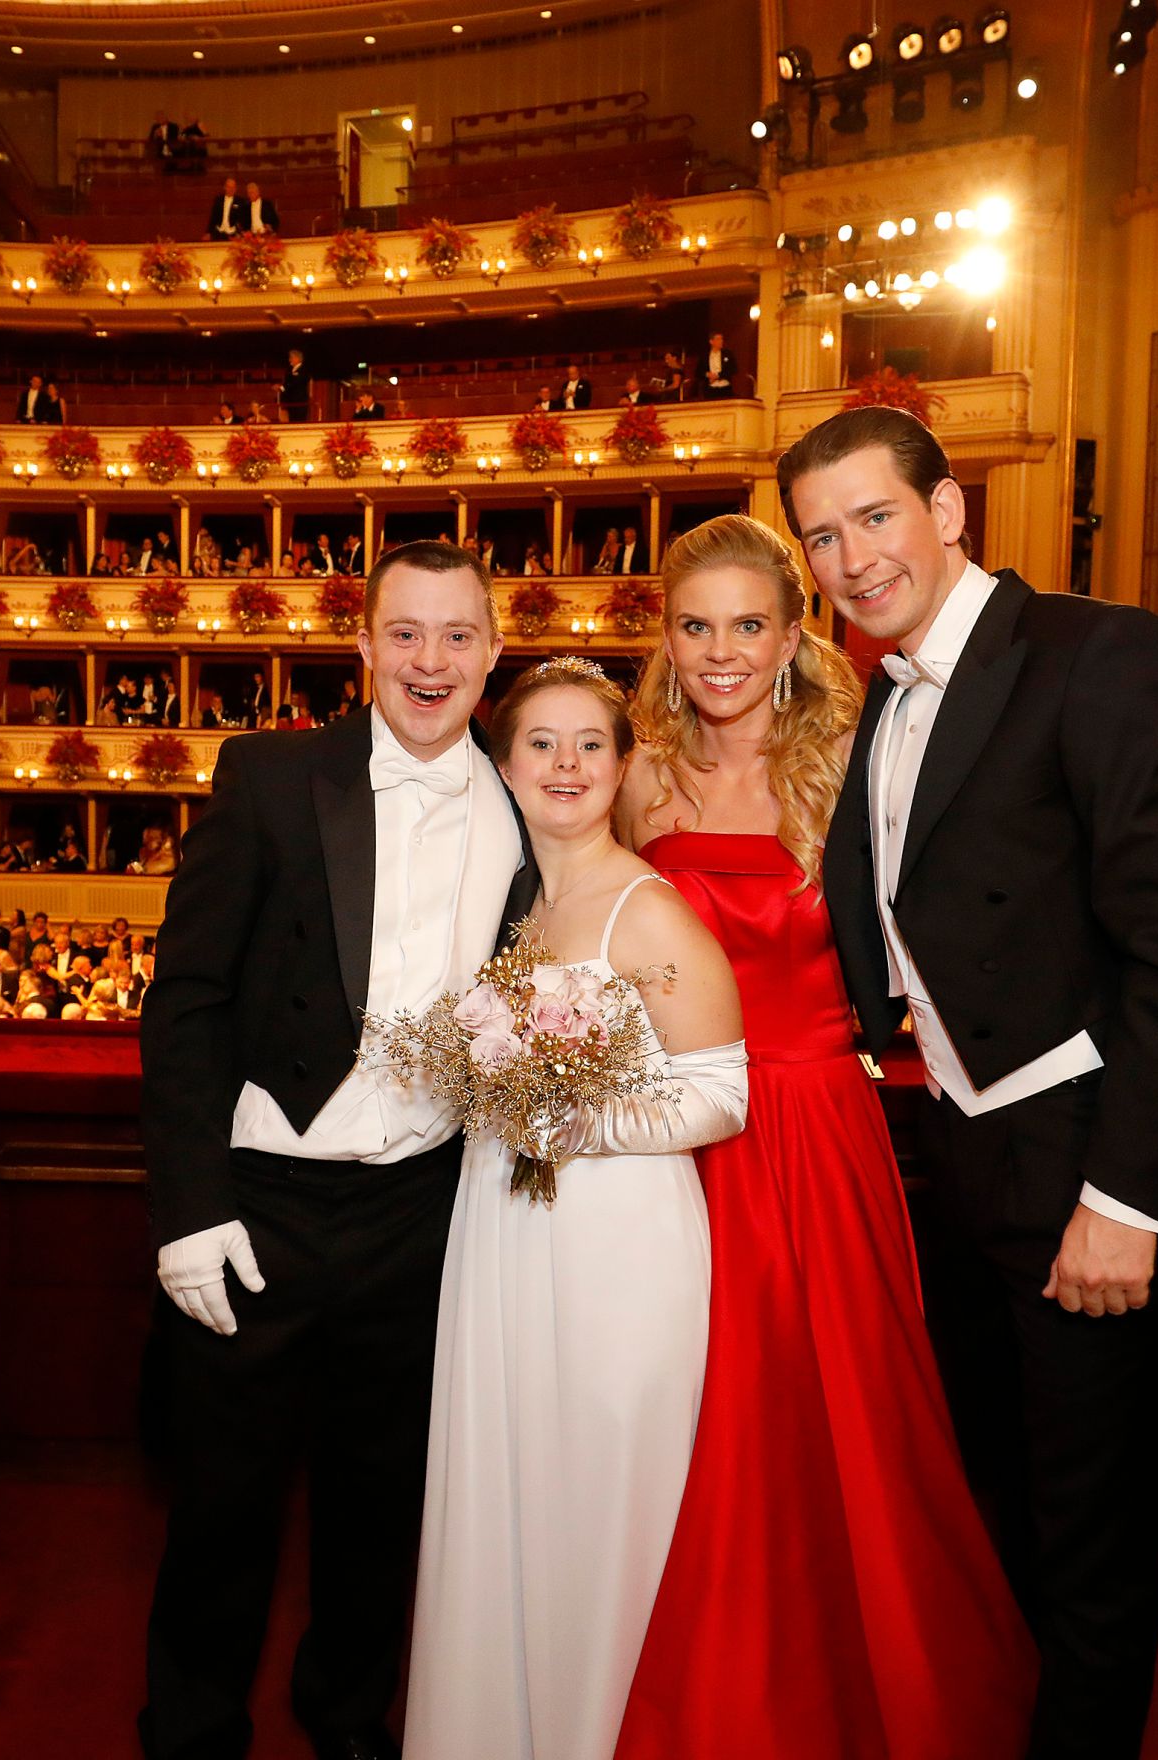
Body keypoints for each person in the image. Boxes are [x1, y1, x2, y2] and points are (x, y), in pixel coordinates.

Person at [781, 405, 1158, 1759]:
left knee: (1092, 1549)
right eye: (822, 535)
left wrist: (1128, 1198)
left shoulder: (1095, 654)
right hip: (959, 1167)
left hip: (1082, 1171)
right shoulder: (879, 695)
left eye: (873, 517)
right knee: (1007, 1512)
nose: (850, 558)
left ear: (946, 513)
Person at [610, 515, 1034, 1757]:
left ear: (794, 635)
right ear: (667, 637)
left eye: (749, 623)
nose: (722, 650)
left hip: (812, 1126)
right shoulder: (633, 772)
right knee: (685, 1408)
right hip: (674, 1133)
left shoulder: (852, 761)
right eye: (697, 625)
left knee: (840, 1411)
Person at [138, 541, 534, 1760]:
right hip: (258, 1203)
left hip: (424, 1209)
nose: (430, 660)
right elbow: (188, 998)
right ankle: (193, 1730)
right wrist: (190, 1208)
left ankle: (347, 1718)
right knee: (222, 1505)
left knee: (381, 1503)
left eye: (456, 636)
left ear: (492, 651)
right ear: (361, 645)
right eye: (404, 633)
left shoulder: (534, 799)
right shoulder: (267, 776)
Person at [402, 658, 747, 1760]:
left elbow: (722, 1093)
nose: (565, 763)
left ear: (623, 764)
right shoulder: (517, 905)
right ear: (503, 766)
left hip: (617, 1248)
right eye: (541, 743)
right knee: (507, 1492)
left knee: (600, 1502)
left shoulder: (651, 910)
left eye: (590, 744)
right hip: (501, 1235)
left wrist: (574, 1120)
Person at [698, 331, 737, 399]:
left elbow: (733, 369)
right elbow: (698, 372)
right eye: (718, 339)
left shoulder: (727, 354)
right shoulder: (704, 355)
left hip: (725, 388)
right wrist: (707, 374)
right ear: (711, 341)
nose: (721, 341)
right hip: (710, 389)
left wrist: (718, 376)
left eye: (722, 339)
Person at [280, 349, 313, 423]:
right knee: (292, 421)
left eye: (291, 357)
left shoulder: (304, 370)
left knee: (299, 421)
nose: (289, 360)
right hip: (291, 402)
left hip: (299, 401)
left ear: (297, 358)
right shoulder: (290, 370)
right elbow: (287, 382)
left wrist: (282, 388)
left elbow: (295, 383)